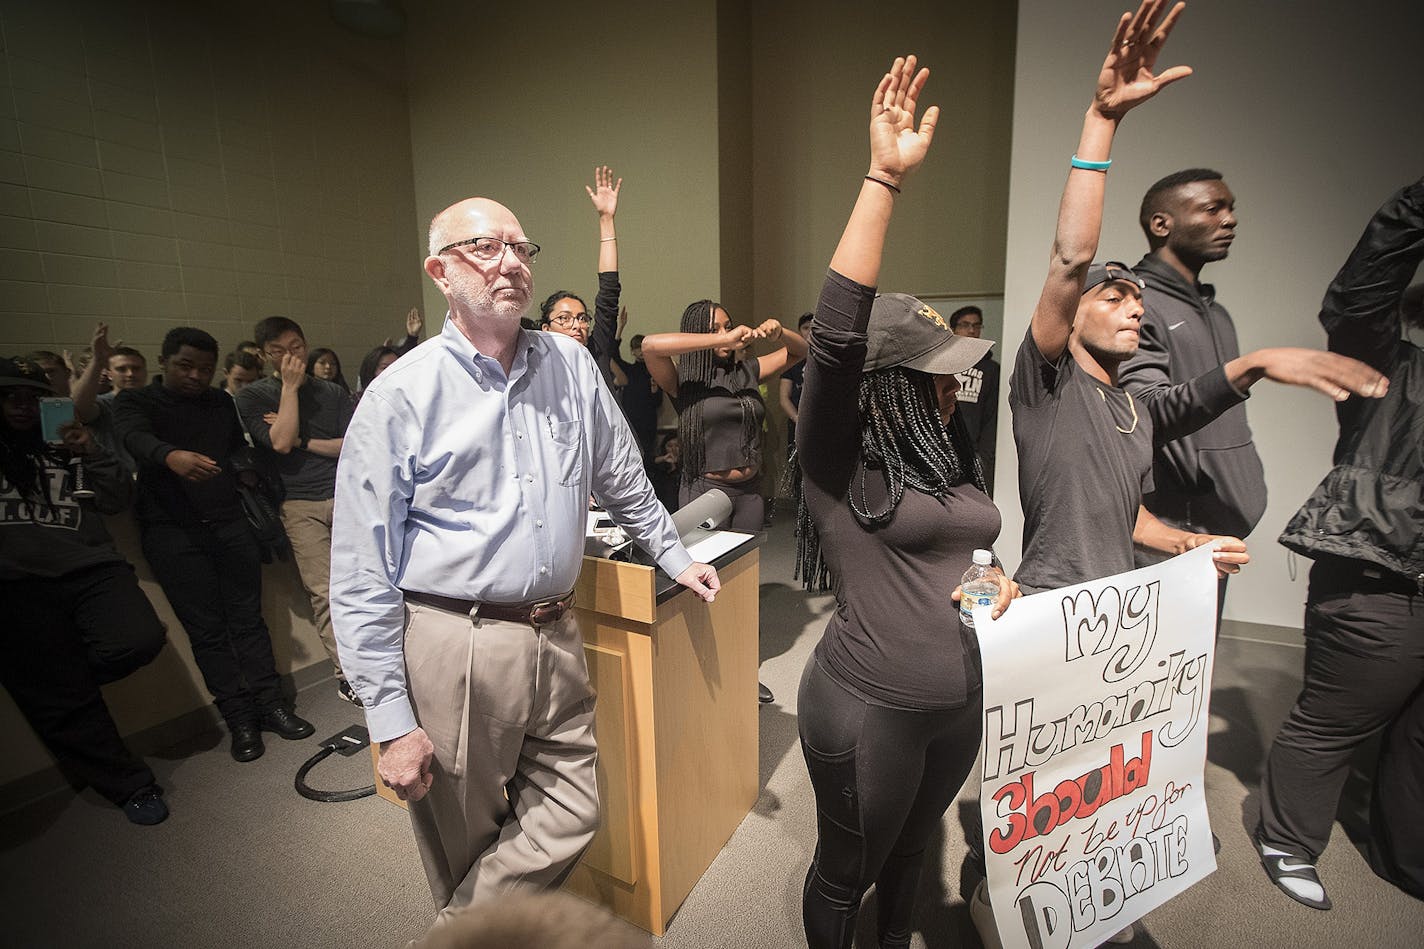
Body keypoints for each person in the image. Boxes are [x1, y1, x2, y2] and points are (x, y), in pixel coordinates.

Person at [329, 196, 720, 923]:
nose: (510, 260)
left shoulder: (570, 363)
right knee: (467, 839)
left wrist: (672, 552)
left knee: (574, 808)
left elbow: (622, 474)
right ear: (439, 271)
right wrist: (388, 715)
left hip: (557, 629)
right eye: (485, 247)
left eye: (520, 246)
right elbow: (360, 571)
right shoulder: (399, 396)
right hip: (458, 644)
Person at [785, 53, 1020, 949]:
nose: (955, 389)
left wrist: (997, 582)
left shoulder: (941, 448)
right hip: (868, 707)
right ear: (886, 384)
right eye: (938, 378)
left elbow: (964, 550)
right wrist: (883, 177)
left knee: (915, 853)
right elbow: (838, 338)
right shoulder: (837, 459)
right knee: (847, 872)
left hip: (960, 697)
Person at [1261, 177, 1420, 909]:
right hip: (1377, 581)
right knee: (1333, 721)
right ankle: (1287, 839)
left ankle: (1405, 858)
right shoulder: (1390, 368)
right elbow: (1359, 294)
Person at [1119, 168, 1387, 592]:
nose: (1230, 220)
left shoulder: (1215, 312)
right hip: (1171, 532)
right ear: (1161, 224)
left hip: (1213, 527)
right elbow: (1144, 412)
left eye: (1231, 209)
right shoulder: (1136, 304)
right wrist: (1252, 366)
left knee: (1200, 657)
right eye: (1212, 209)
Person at [113, 327, 315, 763]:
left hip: (228, 524)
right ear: (164, 361)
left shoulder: (220, 402)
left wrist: (243, 468)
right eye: (185, 366)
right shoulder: (137, 402)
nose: (195, 376)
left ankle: (272, 705)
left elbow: (232, 451)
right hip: (172, 532)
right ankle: (239, 719)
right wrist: (170, 456)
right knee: (207, 633)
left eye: (205, 369)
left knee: (248, 620)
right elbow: (133, 438)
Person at [0, 357, 169, 825]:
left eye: (32, 398)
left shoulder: (63, 442)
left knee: (139, 639)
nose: (21, 407)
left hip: (91, 566)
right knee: (61, 696)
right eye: (10, 397)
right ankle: (131, 786)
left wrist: (90, 448)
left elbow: (117, 499)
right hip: (16, 584)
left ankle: (59, 691)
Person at [236, 316, 356, 703]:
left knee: (369, 581)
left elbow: (348, 445)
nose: (292, 357)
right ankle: (347, 675)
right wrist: (288, 388)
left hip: (345, 495)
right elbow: (280, 443)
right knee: (324, 593)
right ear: (265, 354)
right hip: (297, 504)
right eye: (280, 351)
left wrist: (306, 438)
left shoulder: (332, 392)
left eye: (297, 347)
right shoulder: (253, 396)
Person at [539, 166, 625, 391]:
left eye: (582, 318)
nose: (577, 325)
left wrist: (606, 220)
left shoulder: (597, 350)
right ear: (546, 329)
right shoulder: (538, 371)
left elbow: (609, 290)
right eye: (565, 319)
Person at [947, 305, 1000, 492]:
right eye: (965, 325)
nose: (971, 330)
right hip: (942, 448)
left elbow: (991, 417)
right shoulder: (943, 364)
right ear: (954, 329)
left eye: (977, 326)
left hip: (973, 453)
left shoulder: (991, 370)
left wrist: (984, 458)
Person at [610, 326, 663, 460]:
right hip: (630, 421)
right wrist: (620, 328)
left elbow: (658, 403)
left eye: (642, 347)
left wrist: (655, 390)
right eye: (636, 348)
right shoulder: (629, 370)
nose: (640, 351)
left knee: (647, 457)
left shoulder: (656, 372)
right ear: (633, 351)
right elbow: (613, 354)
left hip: (648, 423)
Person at [777, 312, 814, 456]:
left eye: (813, 328)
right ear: (799, 331)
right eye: (805, 328)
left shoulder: (827, 358)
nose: (810, 332)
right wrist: (798, 419)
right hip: (797, 424)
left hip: (822, 424)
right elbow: (784, 397)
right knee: (797, 468)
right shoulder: (792, 359)